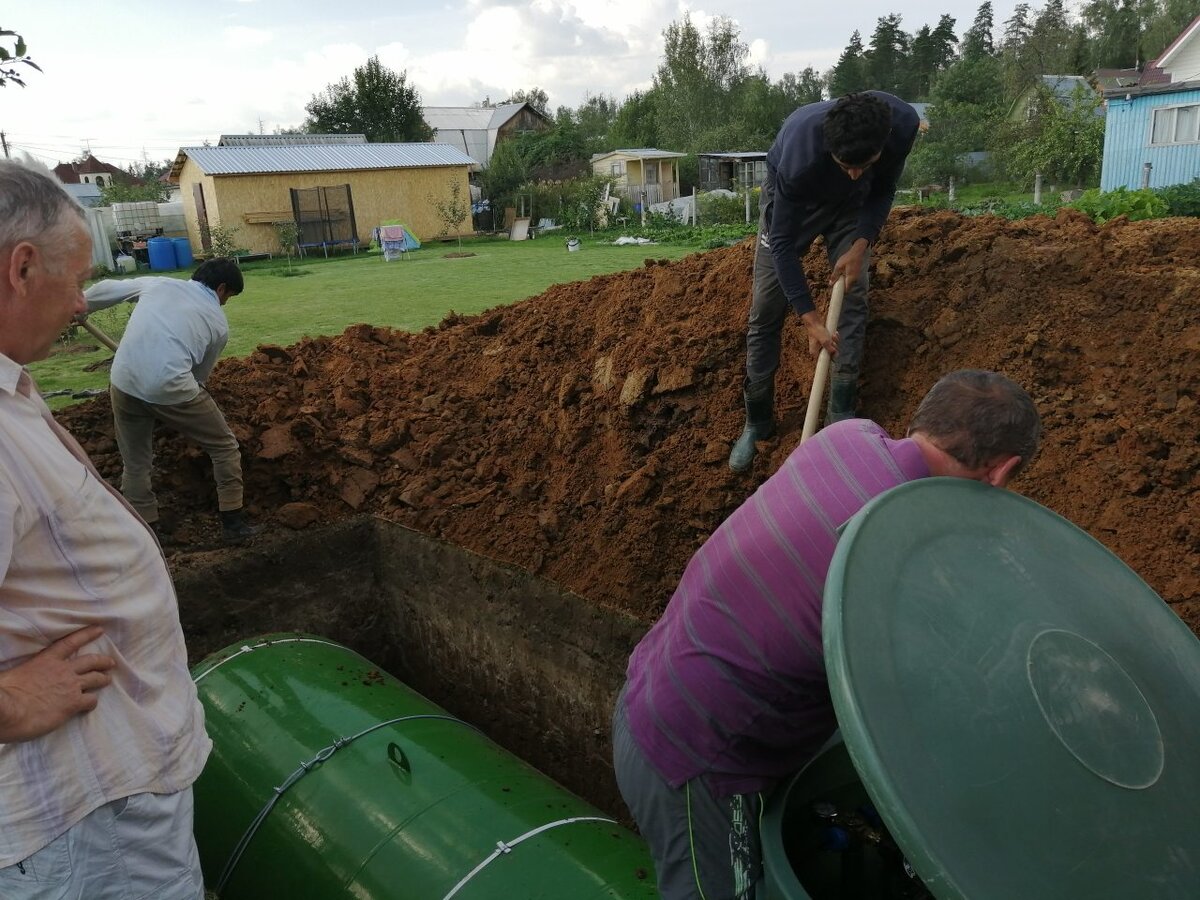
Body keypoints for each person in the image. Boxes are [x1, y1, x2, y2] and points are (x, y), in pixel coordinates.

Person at [616, 370, 1041, 900]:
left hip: (652, 682)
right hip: (696, 758)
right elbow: (918, 707)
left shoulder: (847, 436)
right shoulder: (900, 560)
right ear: (1002, 472)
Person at [0, 159, 210, 897]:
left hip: (104, 798)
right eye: (74, 277)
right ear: (22, 269)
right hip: (82, 821)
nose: (81, 299)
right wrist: (11, 701)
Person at [729, 91, 921, 472]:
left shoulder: (902, 126)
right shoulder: (799, 156)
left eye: (862, 164)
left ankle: (840, 416)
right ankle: (757, 422)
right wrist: (811, 320)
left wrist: (861, 242)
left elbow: (882, 189)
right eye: (844, 164)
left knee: (854, 296)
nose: (853, 172)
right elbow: (782, 243)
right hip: (795, 204)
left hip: (853, 207)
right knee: (766, 308)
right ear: (830, 149)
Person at [83, 258, 262, 544]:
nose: (226, 303)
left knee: (136, 462)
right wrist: (175, 411)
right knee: (224, 446)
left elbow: (107, 288)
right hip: (170, 386)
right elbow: (198, 378)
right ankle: (233, 524)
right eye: (228, 297)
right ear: (222, 288)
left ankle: (145, 534)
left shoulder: (159, 283)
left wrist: (81, 305)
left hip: (123, 381)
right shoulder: (218, 324)